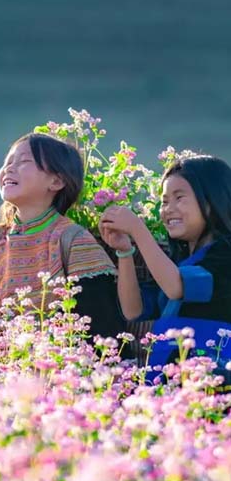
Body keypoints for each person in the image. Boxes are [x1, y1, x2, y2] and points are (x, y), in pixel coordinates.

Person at [0, 133, 124, 341]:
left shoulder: (75, 241)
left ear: (56, 181)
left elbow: (99, 329)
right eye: (7, 162)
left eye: (24, 161)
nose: (9, 168)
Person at [99, 155, 231, 377]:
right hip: (167, 378)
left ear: (211, 201)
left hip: (211, 377)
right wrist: (124, 251)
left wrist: (138, 230)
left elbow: (176, 286)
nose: (168, 209)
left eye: (179, 197)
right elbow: (134, 310)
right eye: (164, 201)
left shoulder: (224, 255)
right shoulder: (176, 263)